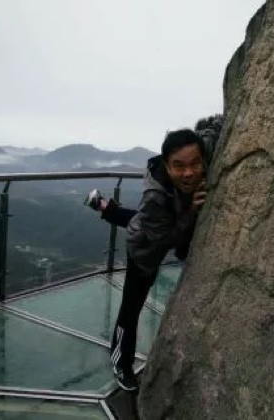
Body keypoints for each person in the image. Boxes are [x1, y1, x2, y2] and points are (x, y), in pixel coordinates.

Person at [85, 129, 207, 391]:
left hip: (153, 222)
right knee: (131, 308)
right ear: (167, 166)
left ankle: (104, 206)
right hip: (143, 252)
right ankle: (120, 362)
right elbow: (166, 240)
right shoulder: (155, 199)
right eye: (179, 166)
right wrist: (190, 212)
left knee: (138, 220)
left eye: (195, 164)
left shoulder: (168, 188)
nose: (189, 173)